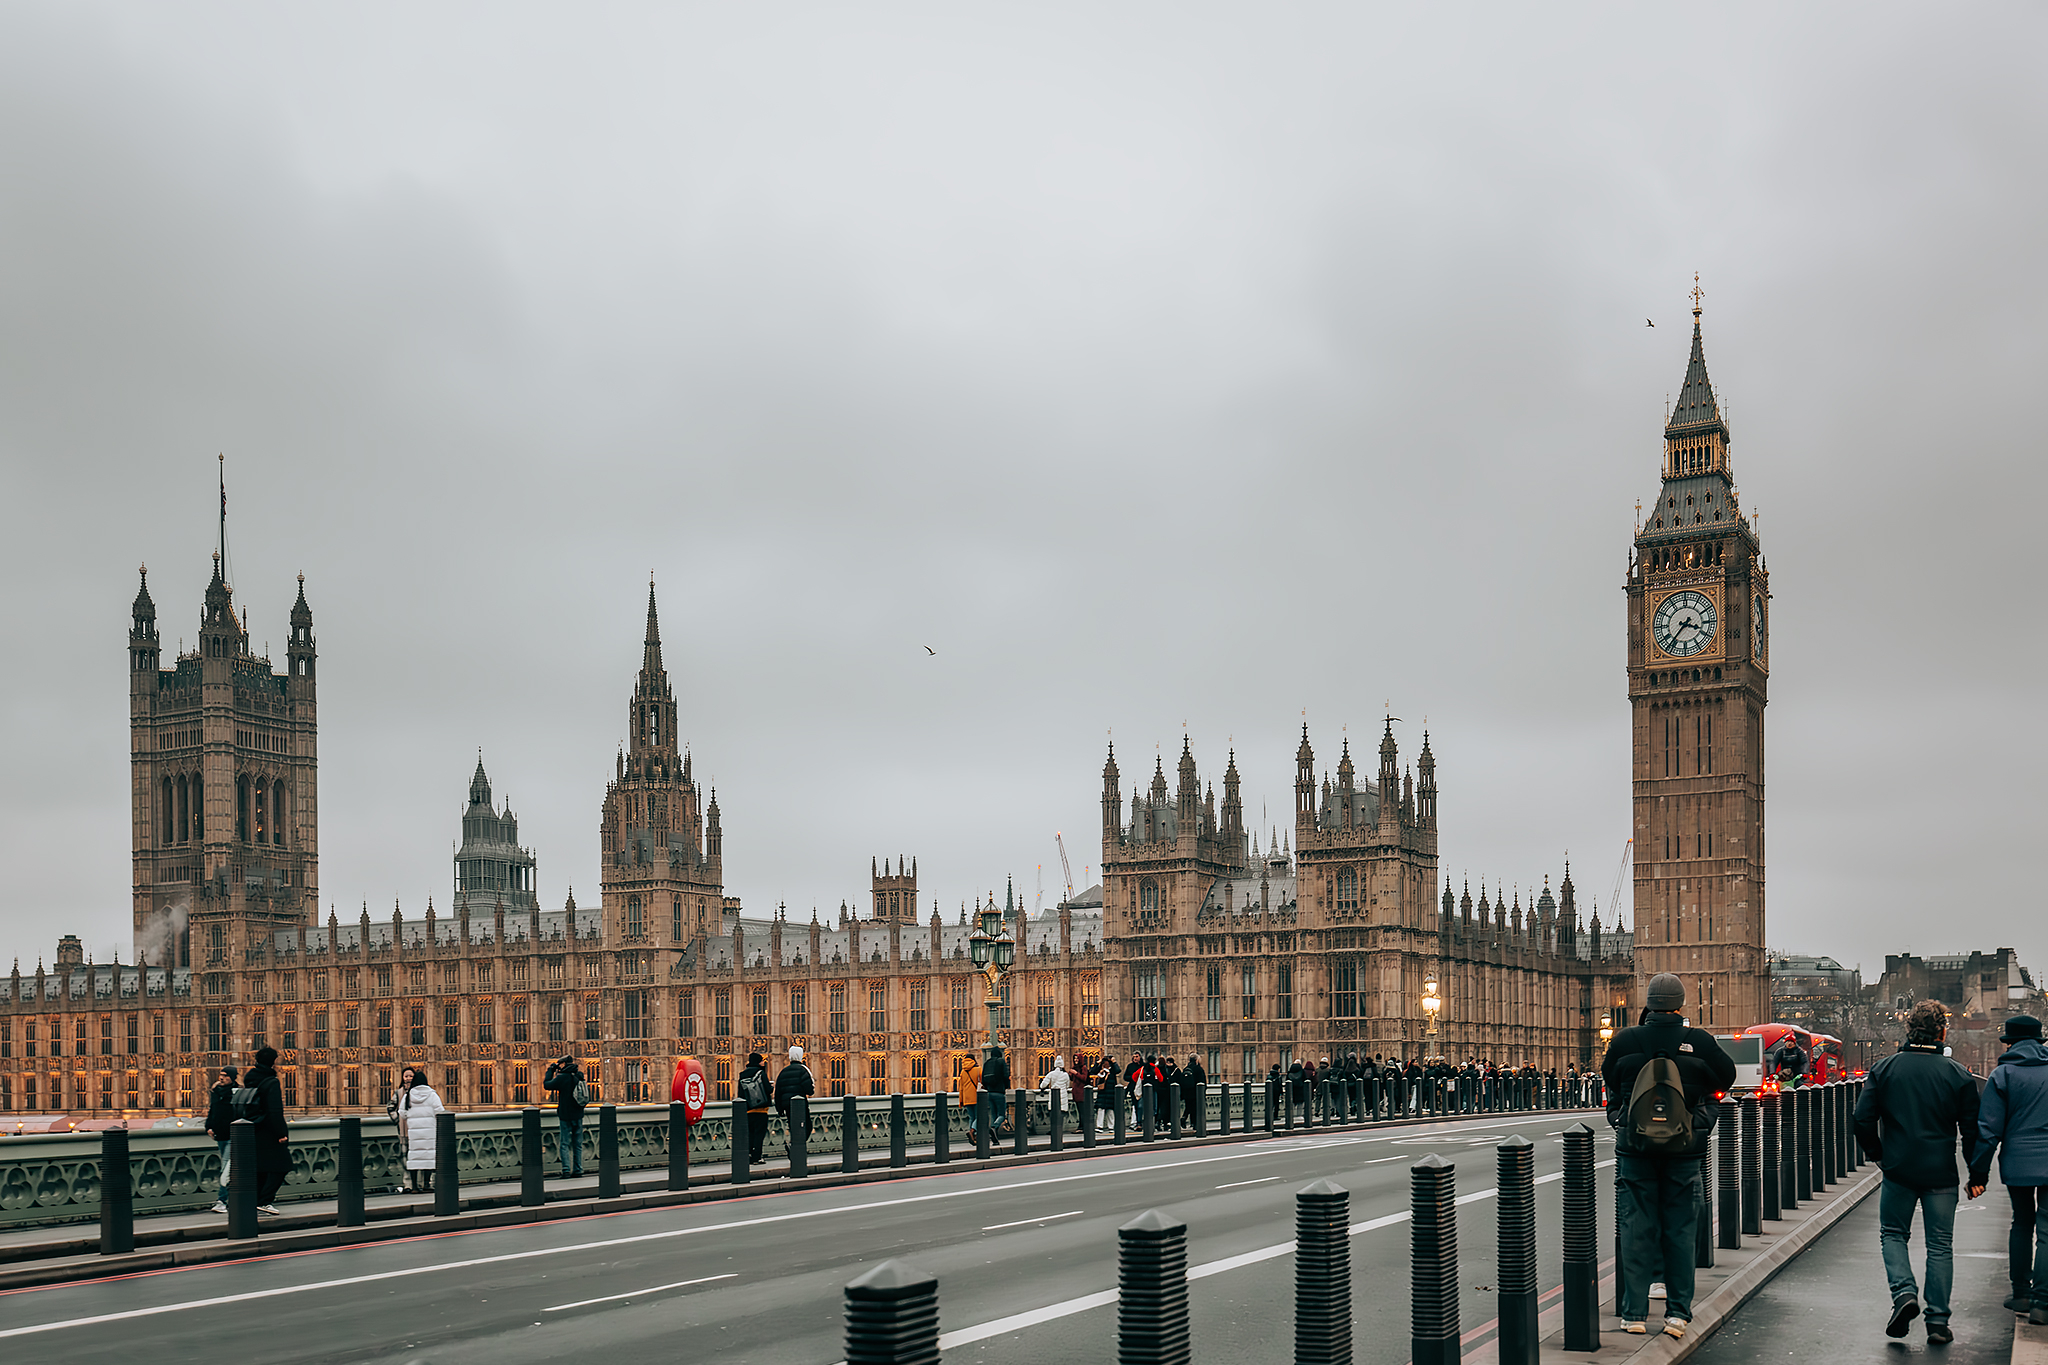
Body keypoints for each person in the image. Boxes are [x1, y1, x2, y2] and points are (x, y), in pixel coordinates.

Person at [1600, 973, 1735, 1339]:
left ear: (1649, 1002)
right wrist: (1700, 1123)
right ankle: (1677, 1315)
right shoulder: (1699, 1042)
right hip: (1683, 1150)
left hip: (1636, 1149)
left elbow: (1610, 1079)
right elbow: (1727, 1079)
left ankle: (1634, 1314)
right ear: (1679, 1003)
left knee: (1635, 1229)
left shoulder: (1626, 1040)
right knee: (1681, 1231)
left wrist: (1621, 1121)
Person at [1854, 999, 1979, 1344]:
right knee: (1940, 1245)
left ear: (1908, 1030)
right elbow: (1972, 1131)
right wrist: (1977, 1173)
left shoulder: (1885, 1069)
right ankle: (1937, 1322)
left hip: (1899, 1169)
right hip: (1940, 1172)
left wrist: (1878, 1153)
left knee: (1893, 1234)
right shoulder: (1959, 1074)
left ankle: (1904, 1293)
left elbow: (1862, 1119)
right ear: (1942, 1031)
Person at [1969, 1013, 2048, 1320]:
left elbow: (1988, 1130)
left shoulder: (2003, 1075)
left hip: (2018, 1161)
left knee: (2022, 1222)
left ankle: (2022, 1294)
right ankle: (2043, 1302)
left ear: (2010, 1043)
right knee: (2047, 1229)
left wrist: (1978, 1173)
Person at [242, 1046, 292, 1216]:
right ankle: (265, 1200)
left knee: (261, 1167)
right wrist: (281, 1133)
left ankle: (256, 1201)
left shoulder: (250, 1078)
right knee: (283, 1165)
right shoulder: (271, 1081)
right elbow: (274, 1111)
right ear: (273, 1062)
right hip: (268, 1131)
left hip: (251, 1128)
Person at [400, 1068, 448, 1194]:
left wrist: (411, 1118)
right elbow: (440, 1111)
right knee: (428, 1157)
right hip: (429, 1130)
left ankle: (415, 1186)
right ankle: (426, 1184)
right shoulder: (432, 1095)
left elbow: (402, 1113)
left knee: (415, 1157)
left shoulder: (408, 1095)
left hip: (414, 1132)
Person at [543, 1055, 588, 1177]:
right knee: (577, 1144)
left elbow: (547, 1085)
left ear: (563, 1064)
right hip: (578, 1114)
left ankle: (566, 1170)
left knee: (564, 1144)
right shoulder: (579, 1076)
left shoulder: (562, 1078)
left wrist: (550, 1070)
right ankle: (578, 1169)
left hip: (565, 1115)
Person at [775, 1045, 817, 1164]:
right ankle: (795, 1147)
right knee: (807, 1127)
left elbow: (778, 1091)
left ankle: (794, 1149)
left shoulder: (783, 1071)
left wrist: (779, 1109)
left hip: (787, 1106)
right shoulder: (803, 1070)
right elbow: (809, 1089)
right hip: (800, 1105)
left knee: (794, 1128)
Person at [205, 1065, 239, 1213]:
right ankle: (234, 1199)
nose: (222, 1077)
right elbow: (213, 1111)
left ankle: (222, 1200)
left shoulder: (237, 1092)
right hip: (220, 1135)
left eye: (225, 1075)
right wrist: (209, 1127)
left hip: (233, 1135)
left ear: (232, 1077)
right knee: (230, 1168)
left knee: (225, 1167)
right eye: (221, 1075)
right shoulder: (216, 1092)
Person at [737, 1052, 772, 1163]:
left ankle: (749, 1155)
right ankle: (757, 1157)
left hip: (748, 1109)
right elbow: (768, 1089)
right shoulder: (760, 1073)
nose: (763, 1062)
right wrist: (771, 1087)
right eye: (762, 1060)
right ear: (758, 1061)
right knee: (759, 1134)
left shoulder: (742, 1074)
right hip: (761, 1109)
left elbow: (740, 1094)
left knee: (750, 1134)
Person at [983, 1046, 1012, 1137]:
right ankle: (993, 1127)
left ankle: (993, 1135)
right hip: (999, 1092)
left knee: (993, 1114)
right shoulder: (1001, 1062)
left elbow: (983, 1078)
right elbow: (1005, 1075)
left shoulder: (987, 1063)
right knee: (1002, 1115)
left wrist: (988, 1087)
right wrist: (1007, 1086)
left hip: (989, 1092)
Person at [1040, 1054, 1072, 1132]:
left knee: (1053, 1114)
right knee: (1061, 1114)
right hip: (1063, 1096)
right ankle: (1059, 1129)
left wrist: (1043, 1088)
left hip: (1053, 1096)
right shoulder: (1065, 1075)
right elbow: (1068, 1085)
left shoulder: (1051, 1074)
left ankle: (1053, 1129)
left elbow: (1043, 1085)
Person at [958, 1052, 982, 1138]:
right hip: (976, 1097)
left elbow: (961, 1088)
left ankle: (973, 1136)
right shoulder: (978, 1069)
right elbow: (982, 1083)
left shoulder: (963, 1071)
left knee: (972, 1117)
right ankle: (972, 1131)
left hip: (966, 1098)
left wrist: (961, 1101)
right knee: (979, 1116)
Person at [1180, 1054, 1206, 1127]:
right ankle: (1194, 1123)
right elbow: (1202, 1080)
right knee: (1195, 1107)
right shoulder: (1198, 1069)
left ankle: (1184, 1118)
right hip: (1196, 1091)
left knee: (1189, 1106)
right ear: (1196, 1060)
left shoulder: (1186, 1068)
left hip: (1187, 1092)